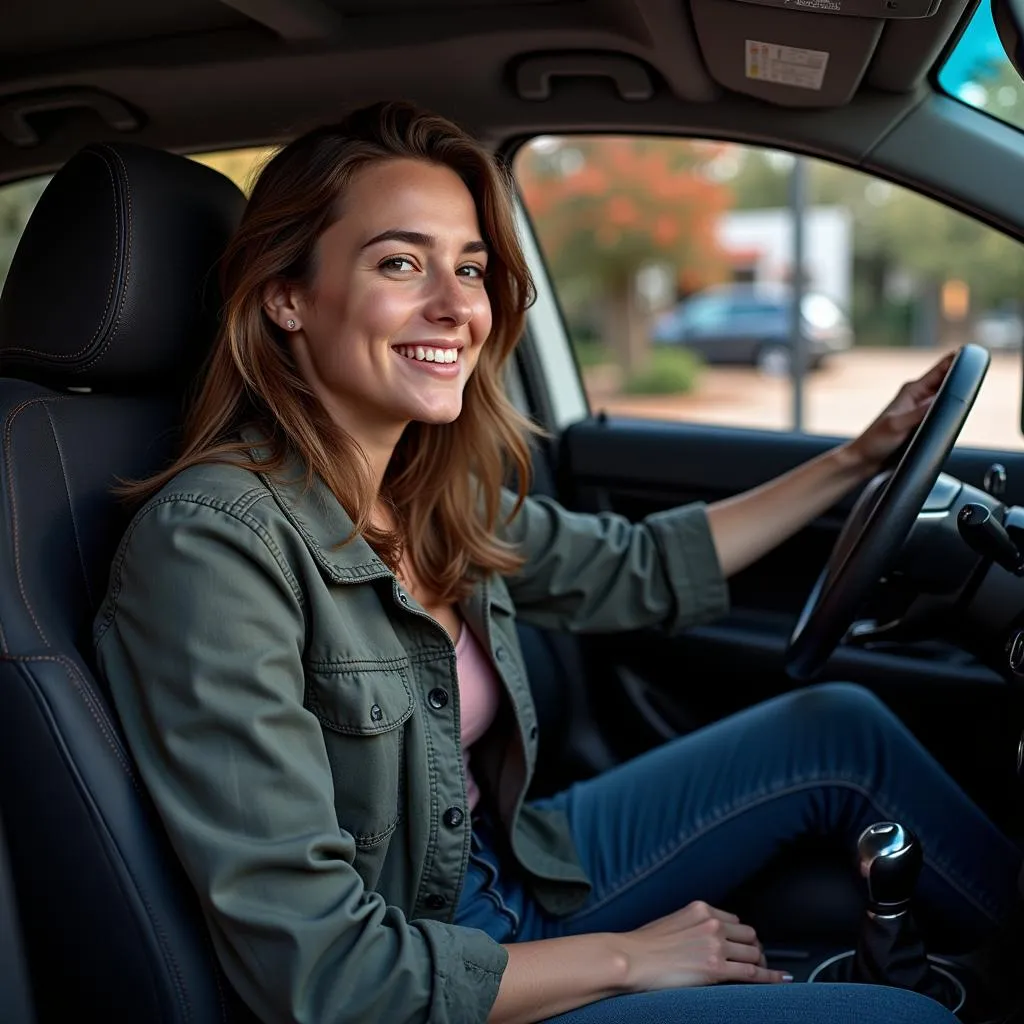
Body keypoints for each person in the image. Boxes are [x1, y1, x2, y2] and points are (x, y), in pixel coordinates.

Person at [93, 100, 1019, 1024]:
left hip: (507, 867)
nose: (458, 307)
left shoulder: (423, 494)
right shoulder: (213, 547)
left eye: (470, 268)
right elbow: (332, 979)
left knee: (837, 725)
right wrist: (626, 960)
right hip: (426, 970)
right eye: (401, 263)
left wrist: (856, 460)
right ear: (285, 296)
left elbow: (643, 566)